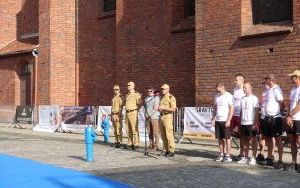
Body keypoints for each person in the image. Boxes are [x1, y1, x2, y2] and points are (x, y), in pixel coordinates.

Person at [261, 74, 284, 168]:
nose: (264, 80)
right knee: (269, 138)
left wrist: (278, 113)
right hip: (267, 117)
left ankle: (280, 160)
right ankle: (270, 158)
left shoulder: (276, 89)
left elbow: (281, 102)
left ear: (270, 80)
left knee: (278, 139)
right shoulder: (267, 90)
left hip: (275, 117)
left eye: (266, 79)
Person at [237, 82, 259, 165]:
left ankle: (253, 157)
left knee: (253, 140)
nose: (244, 89)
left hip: (251, 122)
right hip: (243, 123)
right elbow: (241, 111)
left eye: (246, 88)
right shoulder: (242, 99)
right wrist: (240, 123)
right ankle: (245, 157)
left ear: (250, 88)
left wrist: (254, 123)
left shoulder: (254, 98)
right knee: (244, 140)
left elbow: (256, 112)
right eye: (243, 88)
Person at [212, 83, 234, 162]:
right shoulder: (216, 96)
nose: (217, 91)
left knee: (227, 138)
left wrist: (229, 120)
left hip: (225, 120)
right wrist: (213, 118)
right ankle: (221, 154)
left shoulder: (229, 96)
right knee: (220, 138)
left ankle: (228, 155)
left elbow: (231, 108)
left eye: (218, 90)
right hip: (218, 120)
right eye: (216, 90)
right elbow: (215, 107)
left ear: (222, 87)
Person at [286, 70, 300, 172]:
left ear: (297, 77)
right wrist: (288, 116)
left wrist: (290, 115)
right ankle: (294, 163)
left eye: (292, 77)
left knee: (299, 140)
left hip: (299, 118)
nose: (291, 79)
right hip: (291, 118)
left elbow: (299, 105)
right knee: (292, 141)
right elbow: (290, 104)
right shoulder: (293, 89)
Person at [158, 84, 176, 157]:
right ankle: (166, 150)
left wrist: (164, 108)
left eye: (164, 89)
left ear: (168, 89)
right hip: (161, 116)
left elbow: (173, 109)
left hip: (167, 116)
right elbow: (161, 107)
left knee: (169, 134)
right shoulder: (161, 97)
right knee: (163, 135)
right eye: (162, 89)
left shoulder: (171, 97)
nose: (162, 90)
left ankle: (171, 150)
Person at [231, 74, 246, 161]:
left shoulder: (244, 89)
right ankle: (227, 153)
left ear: (241, 80)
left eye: (236, 80)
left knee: (242, 135)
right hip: (234, 114)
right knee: (229, 132)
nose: (235, 81)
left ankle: (242, 153)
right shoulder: (235, 89)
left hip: (241, 115)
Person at [125, 81, 142, 150]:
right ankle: (130, 143)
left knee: (134, 128)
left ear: (133, 86)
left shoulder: (136, 94)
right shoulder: (127, 95)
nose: (128, 86)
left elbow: (140, 103)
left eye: (129, 85)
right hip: (127, 112)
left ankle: (136, 143)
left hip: (133, 112)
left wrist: (136, 110)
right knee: (128, 129)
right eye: (127, 85)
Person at [256, 79, 268, 163]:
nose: (263, 85)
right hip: (263, 117)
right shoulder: (264, 93)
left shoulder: (271, 91)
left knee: (271, 138)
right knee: (261, 136)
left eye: (264, 83)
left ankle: (271, 155)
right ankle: (261, 153)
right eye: (262, 83)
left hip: (270, 117)